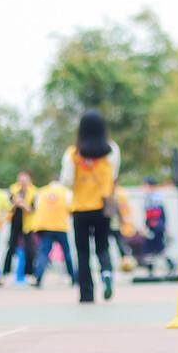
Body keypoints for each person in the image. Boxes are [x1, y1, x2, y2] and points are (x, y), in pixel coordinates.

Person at [61, 110, 120, 303]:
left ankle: (86, 293)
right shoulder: (112, 150)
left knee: (83, 251)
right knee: (103, 246)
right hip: (103, 207)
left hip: (80, 208)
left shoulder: (72, 154)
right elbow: (113, 176)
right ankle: (106, 273)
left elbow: (67, 181)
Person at [31, 175, 75, 287]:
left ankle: (38, 278)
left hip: (45, 227)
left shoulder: (42, 191)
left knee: (44, 253)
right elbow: (72, 209)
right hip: (61, 226)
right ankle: (73, 277)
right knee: (67, 253)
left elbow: (35, 207)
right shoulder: (66, 192)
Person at [4, 171, 37, 281]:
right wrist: (16, 202)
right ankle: (6, 272)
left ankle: (30, 272)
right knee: (11, 246)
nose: (22, 182)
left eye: (25, 180)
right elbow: (10, 205)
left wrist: (22, 203)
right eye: (21, 179)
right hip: (15, 221)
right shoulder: (13, 189)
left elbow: (32, 209)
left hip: (27, 223)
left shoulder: (34, 191)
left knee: (30, 249)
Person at [139, 177, 177, 275]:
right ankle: (152, 270)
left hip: (156, 228)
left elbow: (159, 214)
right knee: (152, 249)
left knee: (156, 249)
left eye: (146, 185)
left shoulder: (156, 198)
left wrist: (160, 227)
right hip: (152, 227)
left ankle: (170, 265)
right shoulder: (148, 197)